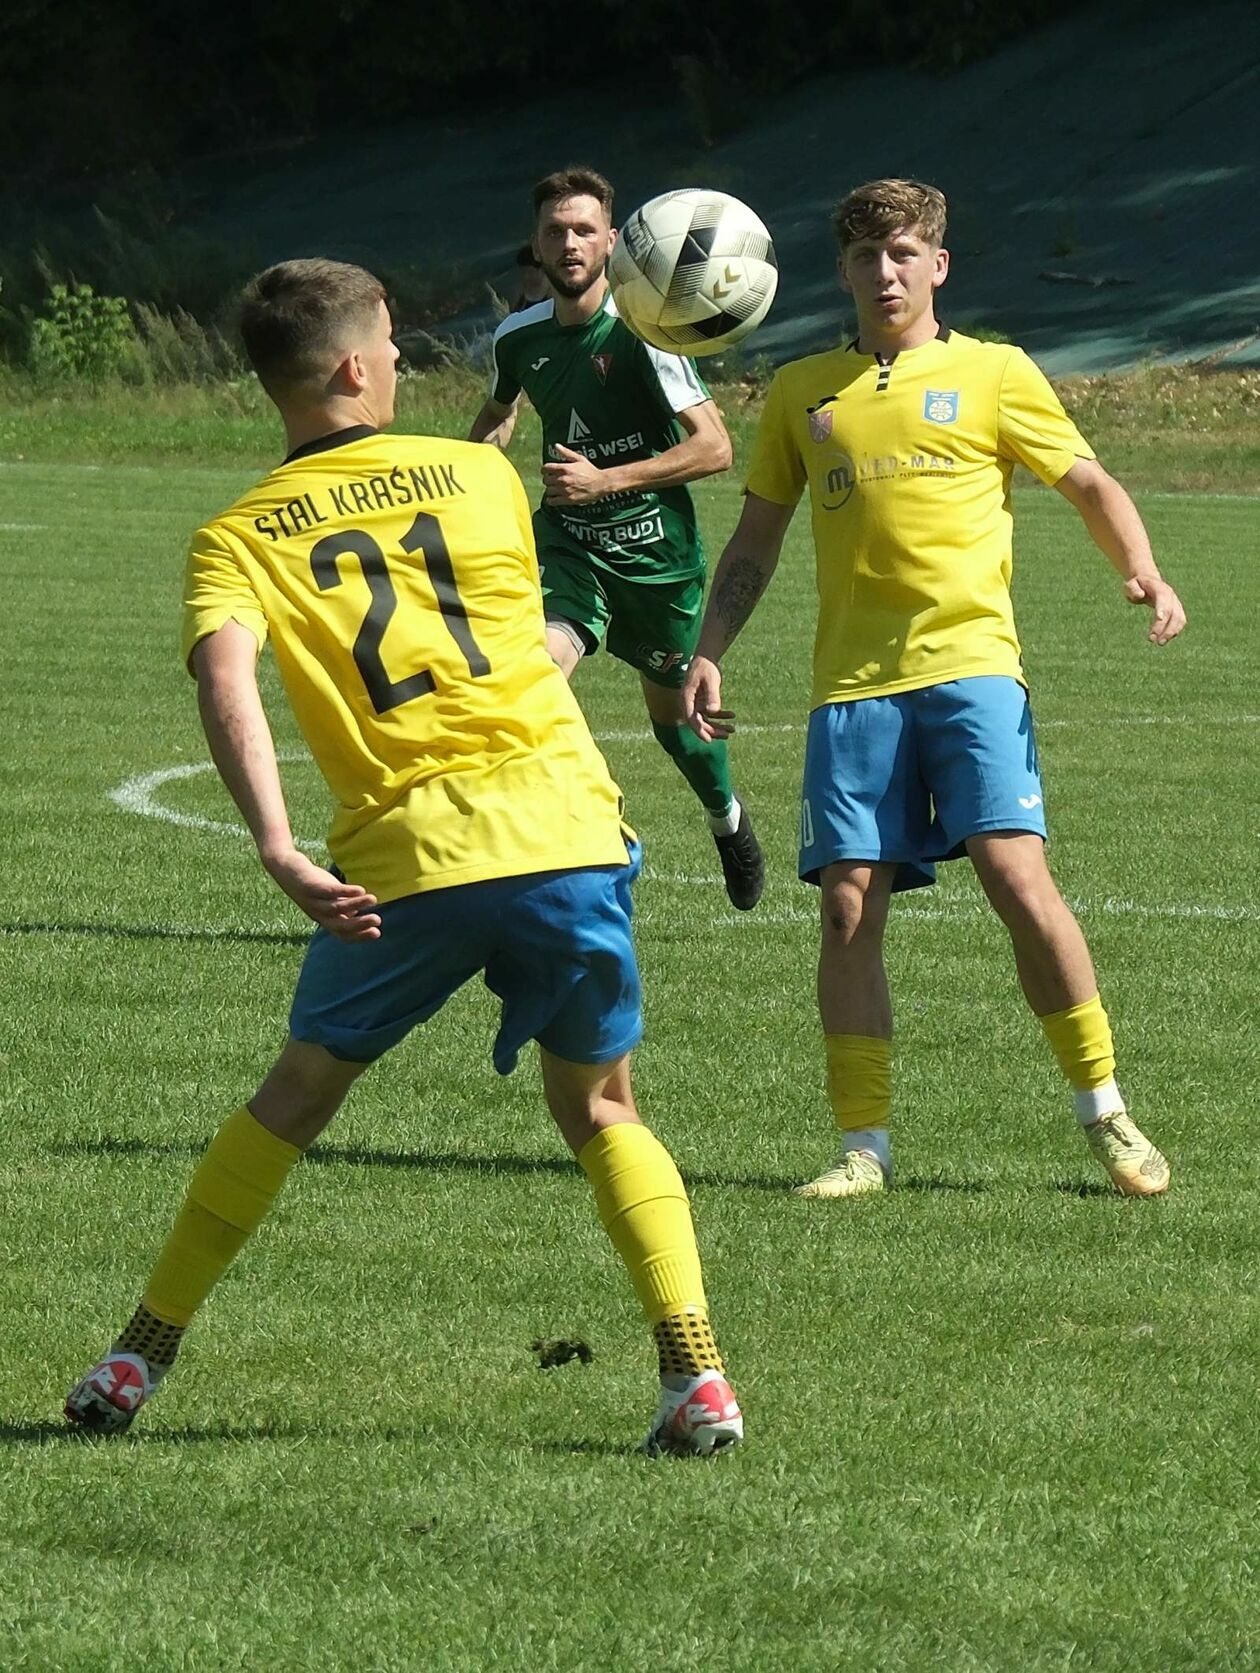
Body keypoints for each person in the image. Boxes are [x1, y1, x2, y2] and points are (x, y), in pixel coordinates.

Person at [64, 258, 743, 1456]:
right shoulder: (478, 472)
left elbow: (228, 679)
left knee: (293, 1099)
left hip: (404, 862)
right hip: (560, 829)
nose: (398, 362)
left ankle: (138, 1354)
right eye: (389, 344)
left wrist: (275, 843)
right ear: (354, 368)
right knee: (599, 1105)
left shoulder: (233, 537)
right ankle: (695, 1371)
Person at [682, 178, 1186, 1199]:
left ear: (938, 265)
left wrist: (1139, 562)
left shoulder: (995, 372)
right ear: (844, 271)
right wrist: (710, 646)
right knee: (846, 908)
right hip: (852, 688)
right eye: (867, 256)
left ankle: (1108, 1113)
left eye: (905, 253)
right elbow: (755, 539)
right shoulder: (801, 392)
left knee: (1015, 875)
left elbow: (1085, 480)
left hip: (972, 669)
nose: (885, 272)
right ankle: (863, 1146)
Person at [467, 165, 764, 912]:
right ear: (534, 246)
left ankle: (727, 820)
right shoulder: (518, 337)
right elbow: (500, 412)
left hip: (656, 563)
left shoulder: (647, 332)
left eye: (584, 230)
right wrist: (464, 475)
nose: (569, 243)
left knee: (678, 730)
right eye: (554, 231)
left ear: (611, 241)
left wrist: (606, 479)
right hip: (565, 546)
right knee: (535, 670)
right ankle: (538, 841)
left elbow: (715, 450)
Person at [511, 242, 550, 312]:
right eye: (523, 272)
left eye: (531, 272)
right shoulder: (518, 305)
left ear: (544, 271)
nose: (526, 277)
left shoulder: (560, 304)